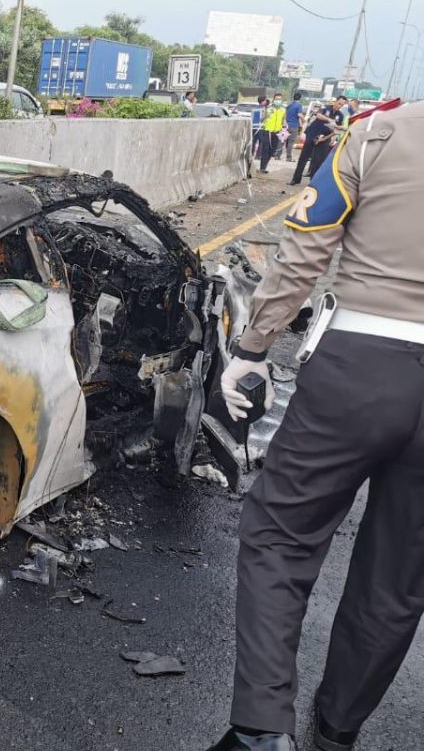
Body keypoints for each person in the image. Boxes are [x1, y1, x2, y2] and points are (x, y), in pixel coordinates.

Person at [208, 100, 424, 751]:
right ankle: (334, 735)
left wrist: (250, 349)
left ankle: (262, 729)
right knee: (397, 579)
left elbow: (304, 254)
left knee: (279, 536)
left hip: (359, 366)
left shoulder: (381, 132)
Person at [289, 101, 342, 185]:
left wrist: (327, 138)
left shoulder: (340, 115)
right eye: (339, 103)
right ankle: (296, 179)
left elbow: (337, 130)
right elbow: (318, 115)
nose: (340, 106)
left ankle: (313, 181)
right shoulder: (325, 108)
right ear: (335, 102)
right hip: (312, 134)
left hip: (324, 138)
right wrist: (329, 119)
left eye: (342, 104)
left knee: (317, 161)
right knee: (304, 157)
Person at [258, 93, 287, 173]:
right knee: (265, 150)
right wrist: (266, 115)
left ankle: (264, 166)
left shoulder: (283, 109)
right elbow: (261, 119)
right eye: (276, 99)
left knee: (272, 151)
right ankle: (262, 168)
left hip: (277, 133)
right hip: (267, 132)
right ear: (274, 100)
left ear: (282, 100)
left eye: (279, 99)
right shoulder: (268, 108)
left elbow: (284, 120)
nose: (278, 101)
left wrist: (284, 128)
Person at [283, 92, 304, 161]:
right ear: (300, 98)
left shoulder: (289, 105)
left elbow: (285, 114)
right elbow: (299, 115)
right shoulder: (299, 105)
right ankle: (289, 157)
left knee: (283, 140)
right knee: (291, 142)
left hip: (286, 125)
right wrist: (304, 119)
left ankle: (277, 155)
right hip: (294, 126)